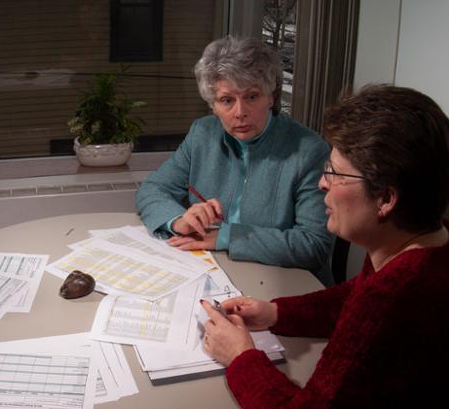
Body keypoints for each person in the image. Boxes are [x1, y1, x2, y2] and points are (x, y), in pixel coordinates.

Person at [200, 85, 449, 409]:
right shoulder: (432, 239)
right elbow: (354, 296)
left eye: (335, 173)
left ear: (386, 198)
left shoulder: (396, 296)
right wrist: (275, 312)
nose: (322, 184)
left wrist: (241, 355)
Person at [135, 36, 334, 285]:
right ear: (213, 105)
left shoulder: (309, 150)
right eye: (227, 100)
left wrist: (226, 237)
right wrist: (179, 221)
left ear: (271, 97)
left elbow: (314, 245)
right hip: (211, 272)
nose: (240, 112)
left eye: (252, 97)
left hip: (284, 284)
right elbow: (152, 189)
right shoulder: (202, 134)